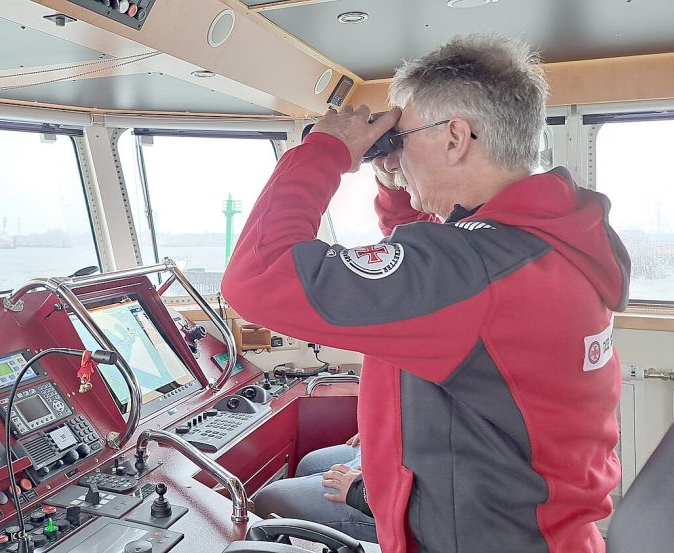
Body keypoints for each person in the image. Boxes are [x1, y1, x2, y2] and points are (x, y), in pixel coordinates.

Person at [221, 33, 630, 553]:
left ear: (455, 137)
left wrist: (323, 151)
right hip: (542, 525)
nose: (394, 151)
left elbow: (259, 275)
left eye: (403, 137)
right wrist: (396, 181)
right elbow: (436, 255)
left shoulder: (473, 271)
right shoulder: (553, 233)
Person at [252, 434, 376, 542]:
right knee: (307, 465)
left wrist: (361, 493)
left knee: (267, 500)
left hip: (382, 493)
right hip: (382, 450)